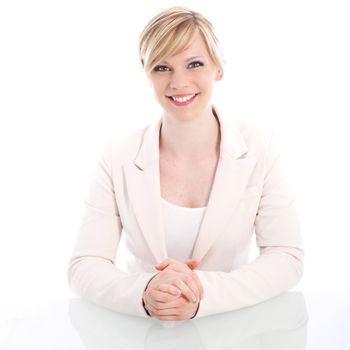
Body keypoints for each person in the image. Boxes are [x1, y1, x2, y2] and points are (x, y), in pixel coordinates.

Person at [67, 6, 304, 321]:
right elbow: (85, 264)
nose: (179, 82)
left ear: (217, 68)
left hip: (231, 328)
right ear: (146, 72)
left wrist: (200, 292)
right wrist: (146, 290)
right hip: (143, 331)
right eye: (162, 67)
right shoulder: (118, 155)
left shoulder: (259, 148)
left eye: (194, 64)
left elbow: (286, 257)